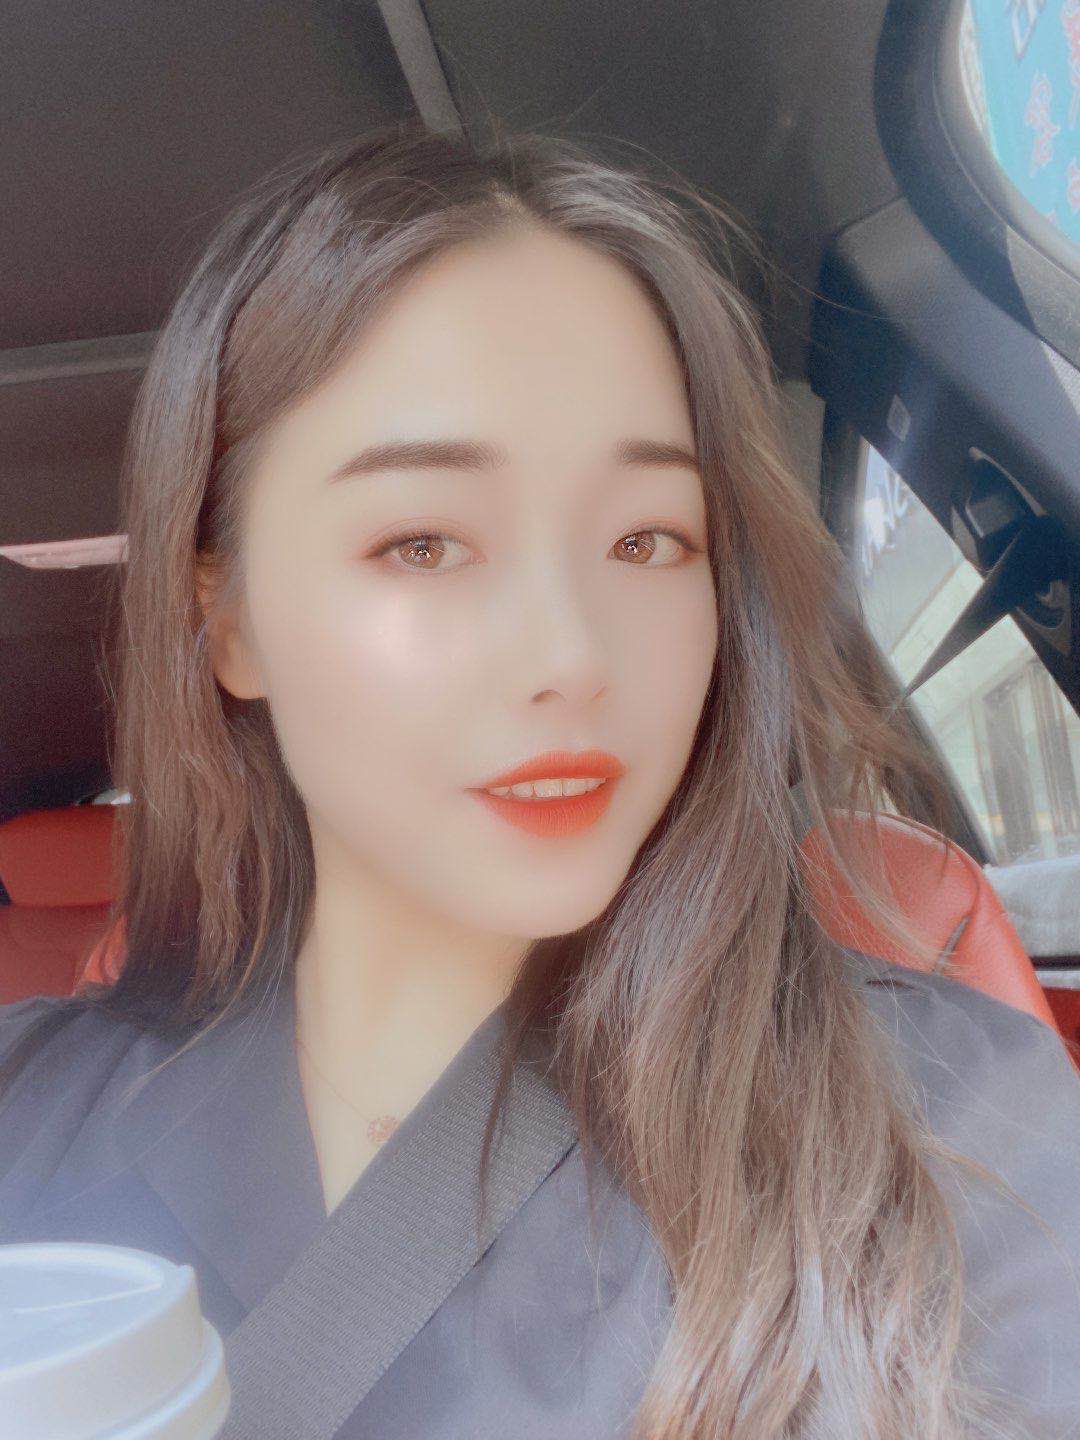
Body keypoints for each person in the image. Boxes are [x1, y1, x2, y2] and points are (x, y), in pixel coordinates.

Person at [2, 119, 1080, 1440]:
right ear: (224, 619)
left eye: (647, 540)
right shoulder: (26, 1119)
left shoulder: (956, 1126)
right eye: (424, 544)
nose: (572, 656)